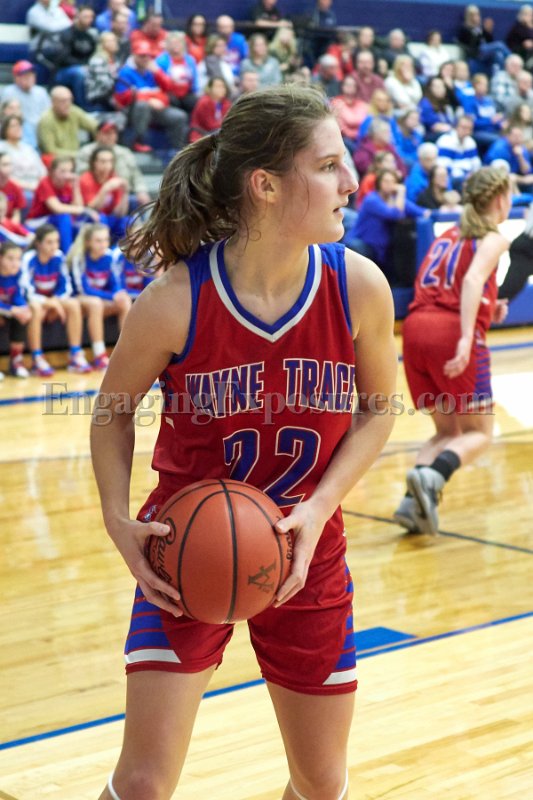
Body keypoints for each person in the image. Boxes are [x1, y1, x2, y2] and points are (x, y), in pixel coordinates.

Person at [90, 84, 397, 800]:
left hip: (307, 552)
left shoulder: (358, 287)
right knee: (142, 784)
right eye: (328, 166)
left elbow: (379, 409)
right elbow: (111, 412)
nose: (350, 182)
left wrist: (319, 507)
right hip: (183, 553)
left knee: (321, 784)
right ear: (266, 185)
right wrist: (116, 519)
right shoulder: (175, 300)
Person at [394, 166, 511, 534]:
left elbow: (448, 285)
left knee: (447, 432)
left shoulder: (447, 235)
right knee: (480, 432)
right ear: (500, 199)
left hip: (415, 330)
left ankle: (411, 503)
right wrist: (464, 337)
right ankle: (434, 477)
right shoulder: (492, 237)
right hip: (449, 333)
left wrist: (489, 307)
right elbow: (472, 279)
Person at [21, 223, 92, 375]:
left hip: (53, 303)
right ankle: (37, 358)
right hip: (35, 304)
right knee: (36, 308)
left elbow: (66, 287)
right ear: (38, 244)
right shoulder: (29, 259)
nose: (54, 246)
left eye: (56, 241)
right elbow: (26, 291)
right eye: (49, 242)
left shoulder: (59, 257)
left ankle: (75, 355)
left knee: (73, 304)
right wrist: (49, 302)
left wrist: (55, 301)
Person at [68, 222, 132, 369]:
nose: (103, 244)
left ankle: (127, 351)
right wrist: (111, 297)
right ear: (88, 242)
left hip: (100, 300)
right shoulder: (79, 258)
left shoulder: (109, 256)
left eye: (105, 240)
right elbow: (83, 289)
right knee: (95, 303)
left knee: (124, 300)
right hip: (80, 300)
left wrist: (118, 294)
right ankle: (99, 355)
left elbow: (115, 283)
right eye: (98, 240)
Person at [76, 120, 151, 208]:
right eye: (106, 133)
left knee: (140, 202)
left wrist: (141, 190)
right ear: (97, 135)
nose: (110, 136)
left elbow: (136, 175)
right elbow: (82, 177)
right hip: (96, 193)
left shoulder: (125, 152)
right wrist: (107, 187)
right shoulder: (86, 152)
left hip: (124, 193)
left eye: (113, 133)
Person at [78, 145, 129, 239]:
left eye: (110, 161)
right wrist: (105, 189)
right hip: (89, 218)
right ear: (94, 163)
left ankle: (121, 248)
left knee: (129, 221)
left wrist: (125, 193)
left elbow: (119, 213)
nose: (107, 165)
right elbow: (92, 208)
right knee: (101, 218)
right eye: (103, 161)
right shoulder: (86, 178)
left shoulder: (113, 177)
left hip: (109, 218)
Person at [37, 85, 98, 162]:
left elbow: (95, 127)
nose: (68, 104)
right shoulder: (46, 120)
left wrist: (99, 144)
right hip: (57, 161)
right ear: (53, 102)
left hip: (76, 158)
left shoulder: (73, 111)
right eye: (63, 101)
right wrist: (77, 155)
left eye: (70, 100)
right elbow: (50, 150)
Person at [0, 61, 51, 149]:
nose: (29, 78)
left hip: (40, 133)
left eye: (31, 75)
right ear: (16, 78)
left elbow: (49, 115)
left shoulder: (41, 92)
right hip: (16, 130)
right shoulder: (8, 92)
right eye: (25, 75)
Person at [0, 240, 32, 378]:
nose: (15, 263)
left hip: (6, 309)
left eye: (18, 259)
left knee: (22, 317)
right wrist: (12, 310)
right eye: (10, 259)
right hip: (4, 309)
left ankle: (16, 361)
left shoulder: (18, 273)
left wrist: (23, 308)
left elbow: (18, 295)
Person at [0, 114, 47, 193]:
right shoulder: (2, 148)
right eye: (13, 126)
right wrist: (28, 186)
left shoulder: (28, 148)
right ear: (5, 129)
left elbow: (42, 170)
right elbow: (4, 176)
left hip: (37, 185)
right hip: (16, 188)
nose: (18, 128)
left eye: (19, 125)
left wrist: (41, 185)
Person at [188, 78, 231, 142]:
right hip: (201, 134)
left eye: (223, 86)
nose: (221, 89)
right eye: (218, 86)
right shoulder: (204, 102)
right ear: (210, 88)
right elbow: (209, 125)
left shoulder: (226, 103)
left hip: (218, 133)